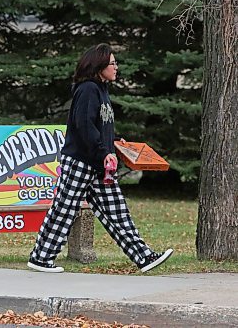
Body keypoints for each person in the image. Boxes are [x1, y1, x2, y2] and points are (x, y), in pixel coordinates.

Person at [28, 43, 173, 273]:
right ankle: (40, 258)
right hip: (80, 161)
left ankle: (144, 257)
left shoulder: (102, 90)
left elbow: (98, 125)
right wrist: (103, 151)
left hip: (98, 165)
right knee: (64, 209)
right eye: (113, 63)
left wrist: (113, 142)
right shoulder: (87, 89)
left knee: (117, 212)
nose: (117, 67)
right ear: (99, 66)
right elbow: (84, 126)